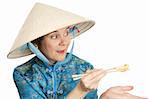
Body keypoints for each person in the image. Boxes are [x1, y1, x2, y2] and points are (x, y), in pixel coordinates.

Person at [7, 2, 147, 99]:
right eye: (54, 36)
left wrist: (104, 98)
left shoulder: (83, 67)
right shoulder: (25, 74)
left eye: (67, 33)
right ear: (36, 43)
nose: (64, 42)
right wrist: (80, 90)